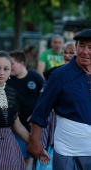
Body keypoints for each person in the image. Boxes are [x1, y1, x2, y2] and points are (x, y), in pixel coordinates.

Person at [27, 29, 91, 170]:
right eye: (82, 46)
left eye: (90, 47)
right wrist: (35, 141)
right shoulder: (59, 76)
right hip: (68, 152)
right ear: (76, 47)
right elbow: (41, 111)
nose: (85, 51)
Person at [35, 41, 76, 170]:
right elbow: (43, 97)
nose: (67, 55)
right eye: (65, 52)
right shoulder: (54, 73)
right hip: (52, 122)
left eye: (71, 52)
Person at [7, 50, 44, 168]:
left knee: (29, 155)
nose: (8, 67)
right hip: (16, 124)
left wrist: (36, 114)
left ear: (21, 63)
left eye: (11, 63)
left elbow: (45, 98)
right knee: (18, 155)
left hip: (33, 125)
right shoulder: (8, 80)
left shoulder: (35, 77)